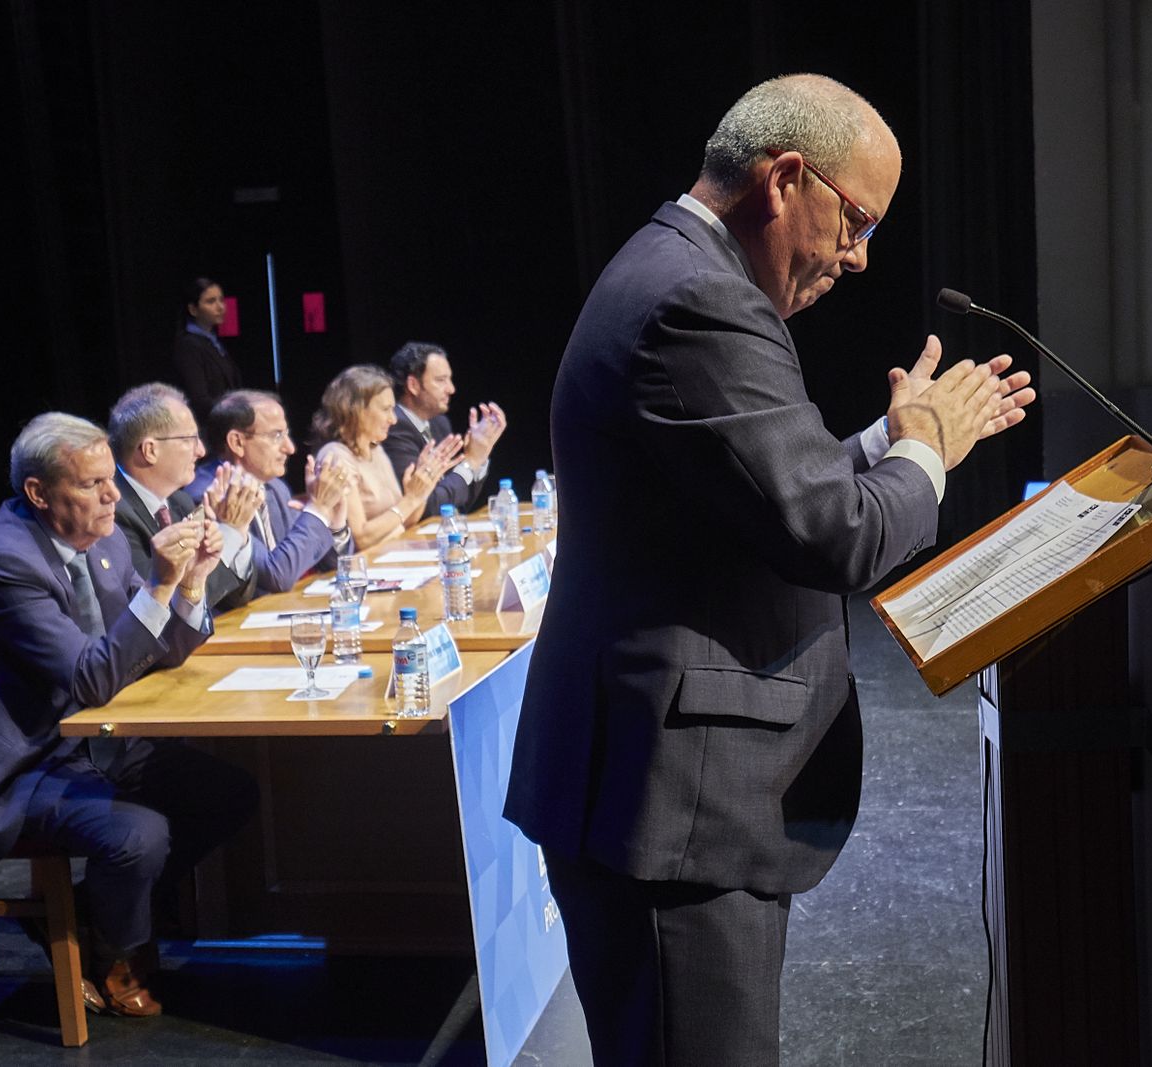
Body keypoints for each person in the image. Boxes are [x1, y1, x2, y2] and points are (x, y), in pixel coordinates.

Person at [503, 74, 1035, 1066]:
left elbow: (753, 484)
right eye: (858, 219)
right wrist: (925, 449)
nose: (860, 257)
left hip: (666, 796)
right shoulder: (699, 301)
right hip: (673, 811)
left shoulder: (676, 270)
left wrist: (888, 435)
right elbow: (833, 535)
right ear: (788, 178)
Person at [0, 413, 259, 1017]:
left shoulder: (102, 536)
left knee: (226, 792)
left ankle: (80, 922)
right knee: (140, 835)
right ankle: (116, 954)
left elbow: (154, 648)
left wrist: (191, 583)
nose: (113, 496)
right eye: (91, 485)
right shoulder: (2, 564)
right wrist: (161, 587)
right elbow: (93, 674)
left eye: (111, 479)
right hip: (15, 760)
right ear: (38, 493)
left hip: (86, 737)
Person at [109, 382, 264, 610]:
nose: (201, 451)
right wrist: (230, 531)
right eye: (190, 439)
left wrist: (237, 533)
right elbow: (163, 611)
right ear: (150, 450)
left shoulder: (179, 502)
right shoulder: (113, 513)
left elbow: (232, 598)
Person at [186, 389, 350, 593]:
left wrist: (334, 523)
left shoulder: (275, 487)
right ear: (237, 442)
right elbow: (277, 576)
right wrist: (317, 509)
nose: (290, 448)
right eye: (277, 435)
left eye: (286, 434)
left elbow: (335, 565)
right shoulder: (210, 496)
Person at [307, 364, 463, 550]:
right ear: (357, 411)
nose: (393, 419)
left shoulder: (376, 450)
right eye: (385, 409)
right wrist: (410, 499)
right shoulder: (336, 457)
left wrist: (422, 490)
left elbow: (404, 522)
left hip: (394, 557)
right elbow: (360, 538)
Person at [382, 340, 508, 517]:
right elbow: (427, 506)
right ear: (413, 385)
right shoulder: (394, 428)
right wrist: (470, 462)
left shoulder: (439, 423)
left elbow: (457, 499)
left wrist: (480, 454)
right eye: (441, 380)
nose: (451, 389)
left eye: (449, 379)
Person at [172, 276, 243, 418]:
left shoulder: (213, 341)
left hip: (225, 424)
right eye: (211, 301)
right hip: (207, 429)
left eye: (221, 300)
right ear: (193, 309)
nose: (220, 306)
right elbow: (199, 401)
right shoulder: (188, 345)